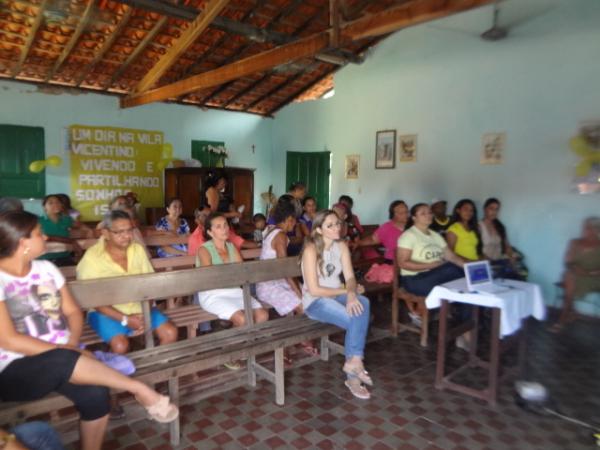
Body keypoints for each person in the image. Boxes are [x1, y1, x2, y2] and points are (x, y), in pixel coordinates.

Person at [0, 211, 178, 450]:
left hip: (66, 357)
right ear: (23, 242)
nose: (46, 237)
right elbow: (9, 340)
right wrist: (67, 351)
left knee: (96, 396)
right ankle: (140, 389)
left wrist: (71, 345)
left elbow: (73, 312)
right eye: (39, 234)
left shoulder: (46, 269)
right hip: (16, 367)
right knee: (64, 359)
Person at [77, 210, 178, 355]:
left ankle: (155, 368)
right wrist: (126, 319)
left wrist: (145, 312)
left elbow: (150, 285)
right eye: (119, 232)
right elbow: (92, 299)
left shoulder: (137, 250)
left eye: (129, 230)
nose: (127, 236)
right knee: (120, 345)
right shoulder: (92, 258)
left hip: (141, 307)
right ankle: (113, 376)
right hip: (106, 312)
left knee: (170, 332)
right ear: (105, 233)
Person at [301, 210, 372, 399]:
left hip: (336, 295)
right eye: (330, 225)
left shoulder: (341, 246)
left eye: (337, 224)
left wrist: (351, 292)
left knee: (362, 303)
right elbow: (314, 290)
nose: (336, 228)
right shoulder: (310, 250)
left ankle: (354, 361)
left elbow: (349, 277)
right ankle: (353, 376)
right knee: (356, 318)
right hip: (316, 302)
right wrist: (349, 292)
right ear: (318, 230)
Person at [196, 213, 268, 368]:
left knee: (262, 315)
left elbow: (241, 271)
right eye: (218, 226)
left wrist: (235, 277)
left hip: (234, 291)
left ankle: (240, 347)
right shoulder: (204, 250)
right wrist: (233, 276)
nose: (224, 229)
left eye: (226, 225)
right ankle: (228, 353)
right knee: (242, 319)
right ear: (210, 232)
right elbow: (211, 278)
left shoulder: (231, 247)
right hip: (212, 293)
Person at [397, 203, 465, 324]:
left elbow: (451, 256)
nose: (428, 215)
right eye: (423, 213)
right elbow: (403, 263)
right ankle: (421, 313)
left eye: (429, 212)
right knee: (452, 270)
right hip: (414, 280)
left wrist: (469, 268)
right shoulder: (408, 236)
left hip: (434, 275)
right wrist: (430, 265)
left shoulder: (435, 236)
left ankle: (465, 321)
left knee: (463, 276)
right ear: (414, 218)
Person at [552, 217, 600, 332]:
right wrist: (574, 268)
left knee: (569, 281)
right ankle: (568, 314)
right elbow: (567, 262)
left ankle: (564, 317)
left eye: (589, 228)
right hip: (575, 275)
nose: (585, 230)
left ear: (597, 230)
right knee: (569, 276)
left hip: (594, 278)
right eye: (584, 227)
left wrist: (588, 273)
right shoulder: (574, 242)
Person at [38, 194, 91, 266]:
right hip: (44, 258)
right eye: (51, 203)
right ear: (44, 207)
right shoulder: (39, 221)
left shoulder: (66, 219)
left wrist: (90, 231)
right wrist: (72, 241)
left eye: (58, 202)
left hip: (64, 257)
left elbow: (80, 225)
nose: (55, 204)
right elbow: (47, 237)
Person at [479, 198, 521, 279]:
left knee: (517, 278)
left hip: (499, 262)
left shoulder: (500, 226)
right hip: (485, 263)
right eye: (491, 208)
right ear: (485, 209)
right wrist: (489, 262)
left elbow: (507, 246)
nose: (494, 212)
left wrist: (512, 257)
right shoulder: (479, 226)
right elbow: (477, 250)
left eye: (496, 209)